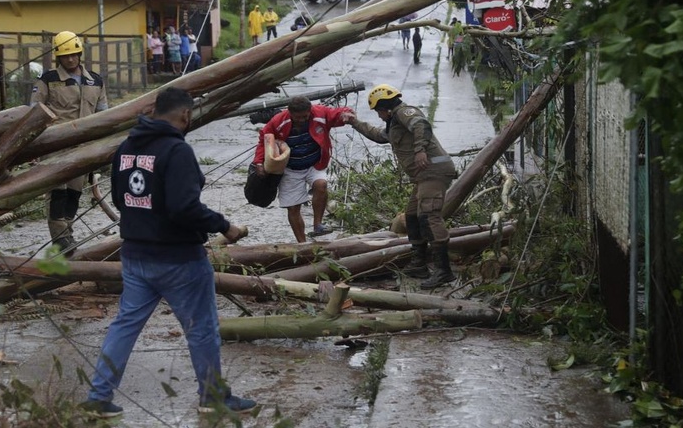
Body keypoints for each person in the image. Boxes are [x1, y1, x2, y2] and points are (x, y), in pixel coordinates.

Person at [82, 87, 256, 418]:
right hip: (179, 261)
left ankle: (98, 397)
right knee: (202, 327)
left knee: (125, 325)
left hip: (134, 256)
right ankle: (212, 397)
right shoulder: (177, 151)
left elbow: (120, 200)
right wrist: (224, 225)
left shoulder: (126, 148)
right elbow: (184, 207)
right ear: (185, 115)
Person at [342, 85, 458, 289]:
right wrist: (354, 122)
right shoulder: (394, 124)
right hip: (423, 177)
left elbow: (421, 125)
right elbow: (378, 135)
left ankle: (443, 271)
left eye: (378, 111)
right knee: (412, 216)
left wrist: (420, 150)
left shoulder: (405, 113)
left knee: (428, 217)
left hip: (433, 172)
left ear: (385, 107)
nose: (378, 116)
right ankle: (419, 264)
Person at [31, 31, 109, 255]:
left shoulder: (95, 80)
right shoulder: (48, 80)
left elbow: (103, 113)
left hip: (83, 145)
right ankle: (60, 239)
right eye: (66, 56)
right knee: (57, 192)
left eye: (74, 54)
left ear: (80, 53)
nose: (71, 59)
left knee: (75, 192)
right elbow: (34, 113)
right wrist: (34, 146)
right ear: (58, 57)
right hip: (55, 145)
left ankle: (67, 234)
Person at [252, 96, 352, 242]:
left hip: (314, 164)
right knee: (293, 208)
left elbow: (335, 114)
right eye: (298, 117)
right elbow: (264, 139)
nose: (302, 120)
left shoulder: (319, 113)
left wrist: (346, 113)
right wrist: (259, 162)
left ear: (309, 110)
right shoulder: (278, 121)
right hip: (289, 168)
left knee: (321, 185)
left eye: (305, 116)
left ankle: (318, 224)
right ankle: (302, 243)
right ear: (290, 113)